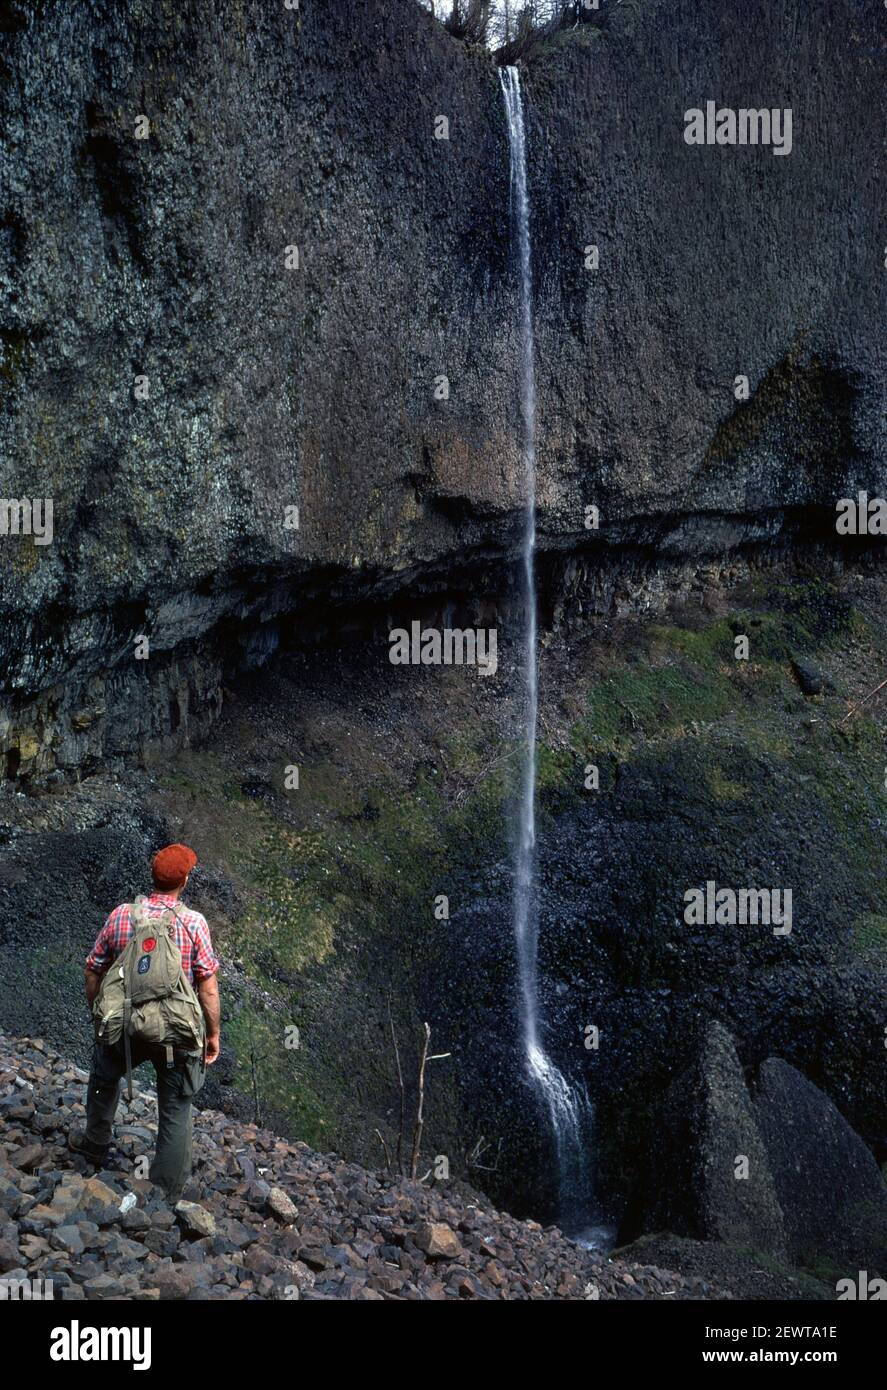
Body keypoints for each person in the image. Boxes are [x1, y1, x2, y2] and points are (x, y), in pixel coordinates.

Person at [70, 843, 221, 1202]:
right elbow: (208, 989)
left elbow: (93, 969)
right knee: (175, 1105)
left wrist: (100, 1018)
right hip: (175, 1033)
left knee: (105, 1078)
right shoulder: (194, 923)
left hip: (126, 1025)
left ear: (152, 877)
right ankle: (165, 1192)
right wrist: (212, 1033)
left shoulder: (122, 915)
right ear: (184, 880)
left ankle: (94, 1147)